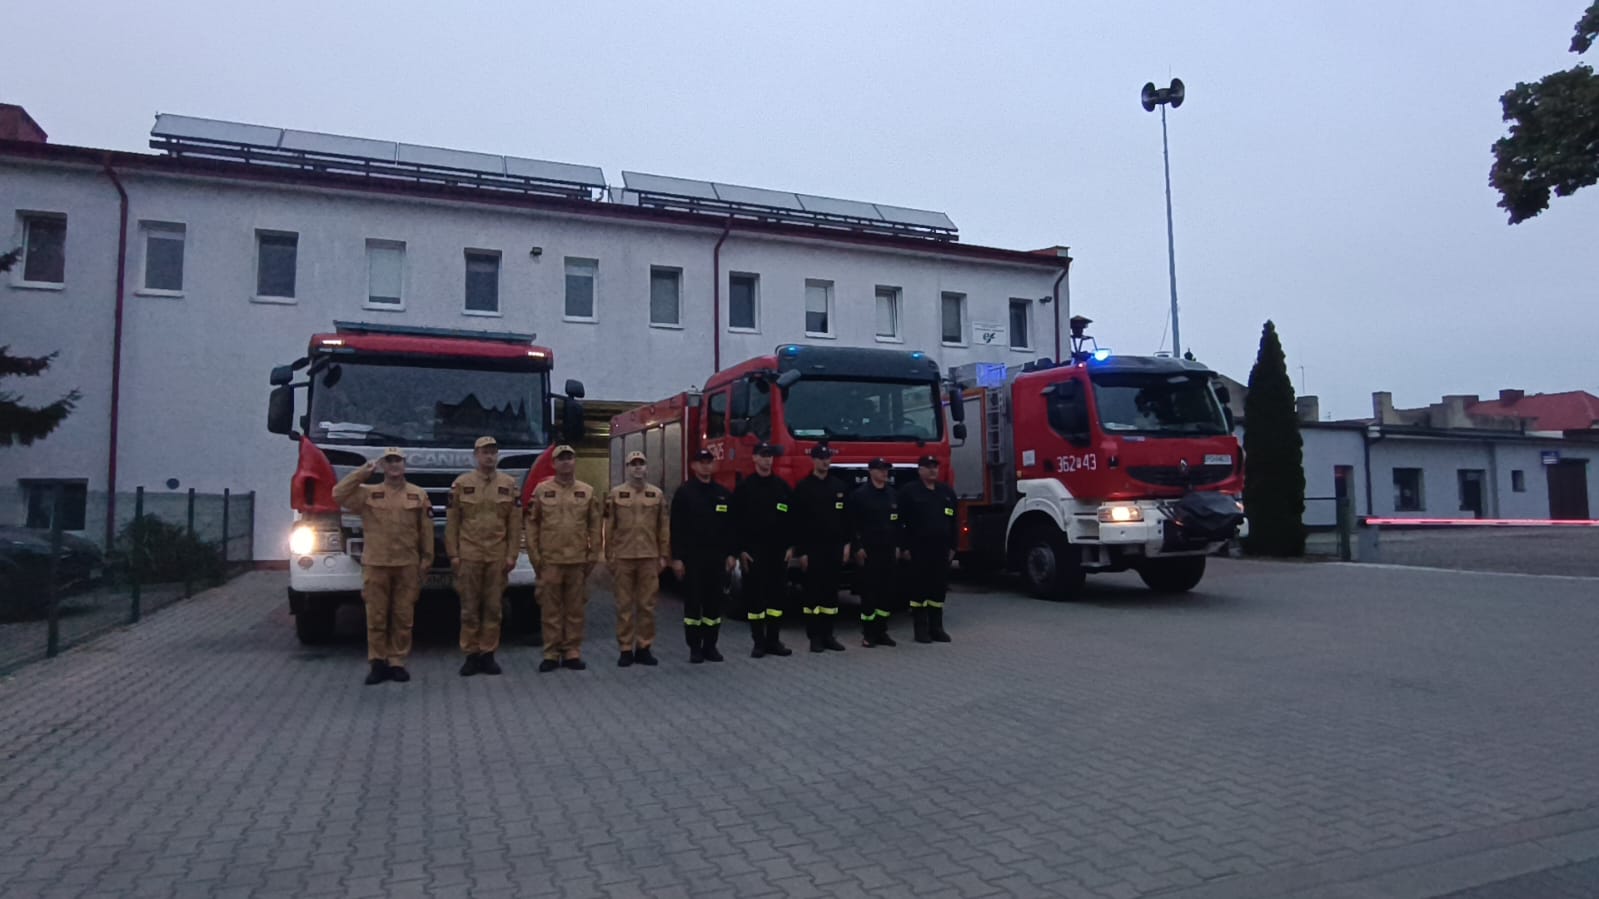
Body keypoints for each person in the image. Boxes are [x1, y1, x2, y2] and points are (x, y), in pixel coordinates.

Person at [332, 447, 434, 686]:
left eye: (398, 460)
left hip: (407, 564)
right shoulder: (369, 493)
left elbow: (426, 531)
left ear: (404, 464)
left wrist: (427, 559)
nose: (394, 465)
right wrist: (363, 472)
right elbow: (338, 494)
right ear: (383, 466)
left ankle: (397, 662)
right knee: (376, 616)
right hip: (376, 564)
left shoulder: (418, 495)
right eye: (389, 461)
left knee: (403, 616)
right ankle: (377, 662)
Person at [446, 436, 521, 677]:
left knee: (493, 608)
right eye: (484, 452)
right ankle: (470, 654)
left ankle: (488, 654)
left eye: (493, 452)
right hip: (470, 555)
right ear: (476, 455)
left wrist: (512, 555)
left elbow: (514, 524)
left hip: (497, 556)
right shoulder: (461, 484)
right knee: (469, 608)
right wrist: (453, 555)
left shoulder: (509, 484)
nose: (489, 456)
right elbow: (452, 523)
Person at [525, 445, 602, 672]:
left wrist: (593, 555)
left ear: (575, 462)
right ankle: (551, 653)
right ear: (554, 464)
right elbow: (532, 525)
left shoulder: (587, 491)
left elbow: (594, 525)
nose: (566, 462)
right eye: (561, 459)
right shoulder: (541, 491)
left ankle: (572, 652)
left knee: (575, 610)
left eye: (570, 458)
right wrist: (535, 556)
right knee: (550, 610)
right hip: (550, 561)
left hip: (577, 562)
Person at [669, 449, 737, 663]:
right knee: (693, 605)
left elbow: (730, 528)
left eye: (709, 462)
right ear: (694, 466)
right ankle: (694, 648)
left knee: (713, 605)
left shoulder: (723, 493)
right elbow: (676, 528)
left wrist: (731, 554)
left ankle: (710, 646)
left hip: (716, 559)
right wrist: (677, 558)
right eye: (702, 462)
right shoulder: (685, 493)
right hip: (693, 559)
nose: (706, 466)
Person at [604, 450, 670, 668]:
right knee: (624, 606)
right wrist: (609, 555)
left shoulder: (656, 494)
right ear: (627, 468)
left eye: (641, 463)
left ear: (646, 467)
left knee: (647, 605)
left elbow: (663, 527)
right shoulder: (616, 494)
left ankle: (644, 647)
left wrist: (664, 555)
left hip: (649, 557)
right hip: (623, 557)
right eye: (633, 464)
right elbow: (609, 527)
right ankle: (625, 649)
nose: (637, 467)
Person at [732, 442, 794, 658]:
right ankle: (758, 642)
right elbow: (734, 522)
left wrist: (791, 546)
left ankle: (774, 641)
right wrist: (740, 550)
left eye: (770, 456)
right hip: (754, 553)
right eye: (763, 455)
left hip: (778, 553)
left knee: (777, 600)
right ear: (755, 458)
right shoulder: (745, 488)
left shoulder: (782, 487)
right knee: (755, 600)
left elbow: (793, 519)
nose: (768, 459)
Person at [791, 444, 849, 653]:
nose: (825, 462)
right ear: (813, 460)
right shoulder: (804, 487)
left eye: (828, 458)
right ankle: (814, 637)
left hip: (834, 548)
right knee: (813, 595)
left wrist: (847, 545)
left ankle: (828, 635)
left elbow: (846, 520)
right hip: (813, 549)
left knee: (831, 594)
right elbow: (797, 522)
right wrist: (802, 552)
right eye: (821, 458)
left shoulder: (839, 486)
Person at [897, 454, 959, 643]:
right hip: (918, 549)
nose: (933, 470)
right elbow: (900, 522)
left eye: (935, 467)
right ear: (920, 470)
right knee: (919, 590)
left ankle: (937, 628)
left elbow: (954, 521)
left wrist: (953, 546)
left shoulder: (946, 492)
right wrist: (904, 547)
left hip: (941, 550)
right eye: (928, 467)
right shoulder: (909, 492)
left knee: (938, 589)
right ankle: (921, 629)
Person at [846, 457, 900, 648]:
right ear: (871, 472)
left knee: (886, 593)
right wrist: (857, 547)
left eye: (886, 470)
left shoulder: (893, 494)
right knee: (869, 594)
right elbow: (851, 525)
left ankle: (882, 631)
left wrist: (898, 546)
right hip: (868, 552)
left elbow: (898, 524)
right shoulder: (860, 496)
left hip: (888, 551)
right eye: (880, 469)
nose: (884, 473)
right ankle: (868, 633)